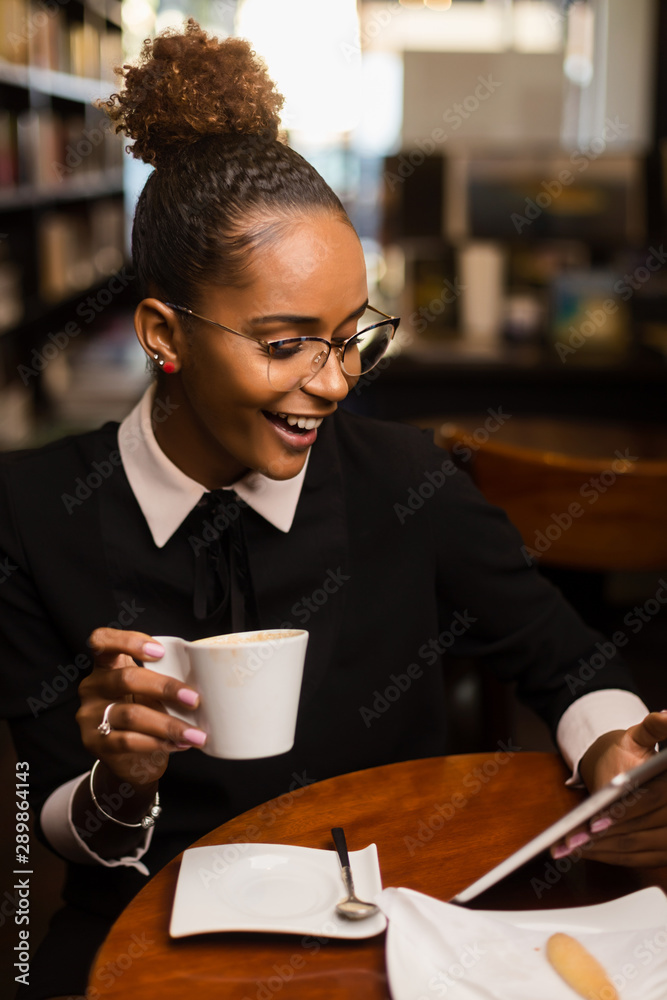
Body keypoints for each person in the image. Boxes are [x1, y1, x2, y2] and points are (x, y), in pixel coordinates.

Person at [1, 20, 666, 1000]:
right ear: (162, 334)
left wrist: (613, 744)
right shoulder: (32, 514)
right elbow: (47, 821)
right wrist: (119, 780)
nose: (336, 379)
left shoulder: (405, 478)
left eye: (352, 335)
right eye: (284, 344)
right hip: (148, 929)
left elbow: (569, 661)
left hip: (401, 917)